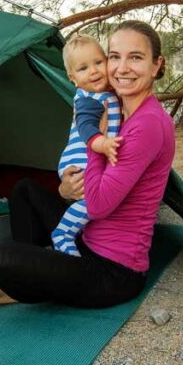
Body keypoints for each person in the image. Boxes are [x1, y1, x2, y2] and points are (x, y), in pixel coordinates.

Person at [0, 20, 175, 308]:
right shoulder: (117, 103)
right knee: (24, 189)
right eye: (114, 57)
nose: (122, 68)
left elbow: (100, 204)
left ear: (156, 65)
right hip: (87, 239)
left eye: (136, 57)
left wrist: (93, 139)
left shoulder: (148, 124)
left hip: (114, 271)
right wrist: (66, 189)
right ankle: (28, 280)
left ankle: (25, 285)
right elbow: (85, 186)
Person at [51, 35, 122, 256]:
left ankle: (79, 234)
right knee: (92, 199)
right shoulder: (88, 99)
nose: (93, 71)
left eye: (98, 62)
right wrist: (102, 144)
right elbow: (86, 126)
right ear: (72, 78)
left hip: (89, 156)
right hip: (78, 159)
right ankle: (62, 234)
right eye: (83, 68)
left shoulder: (107, 93)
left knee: (94, 199)